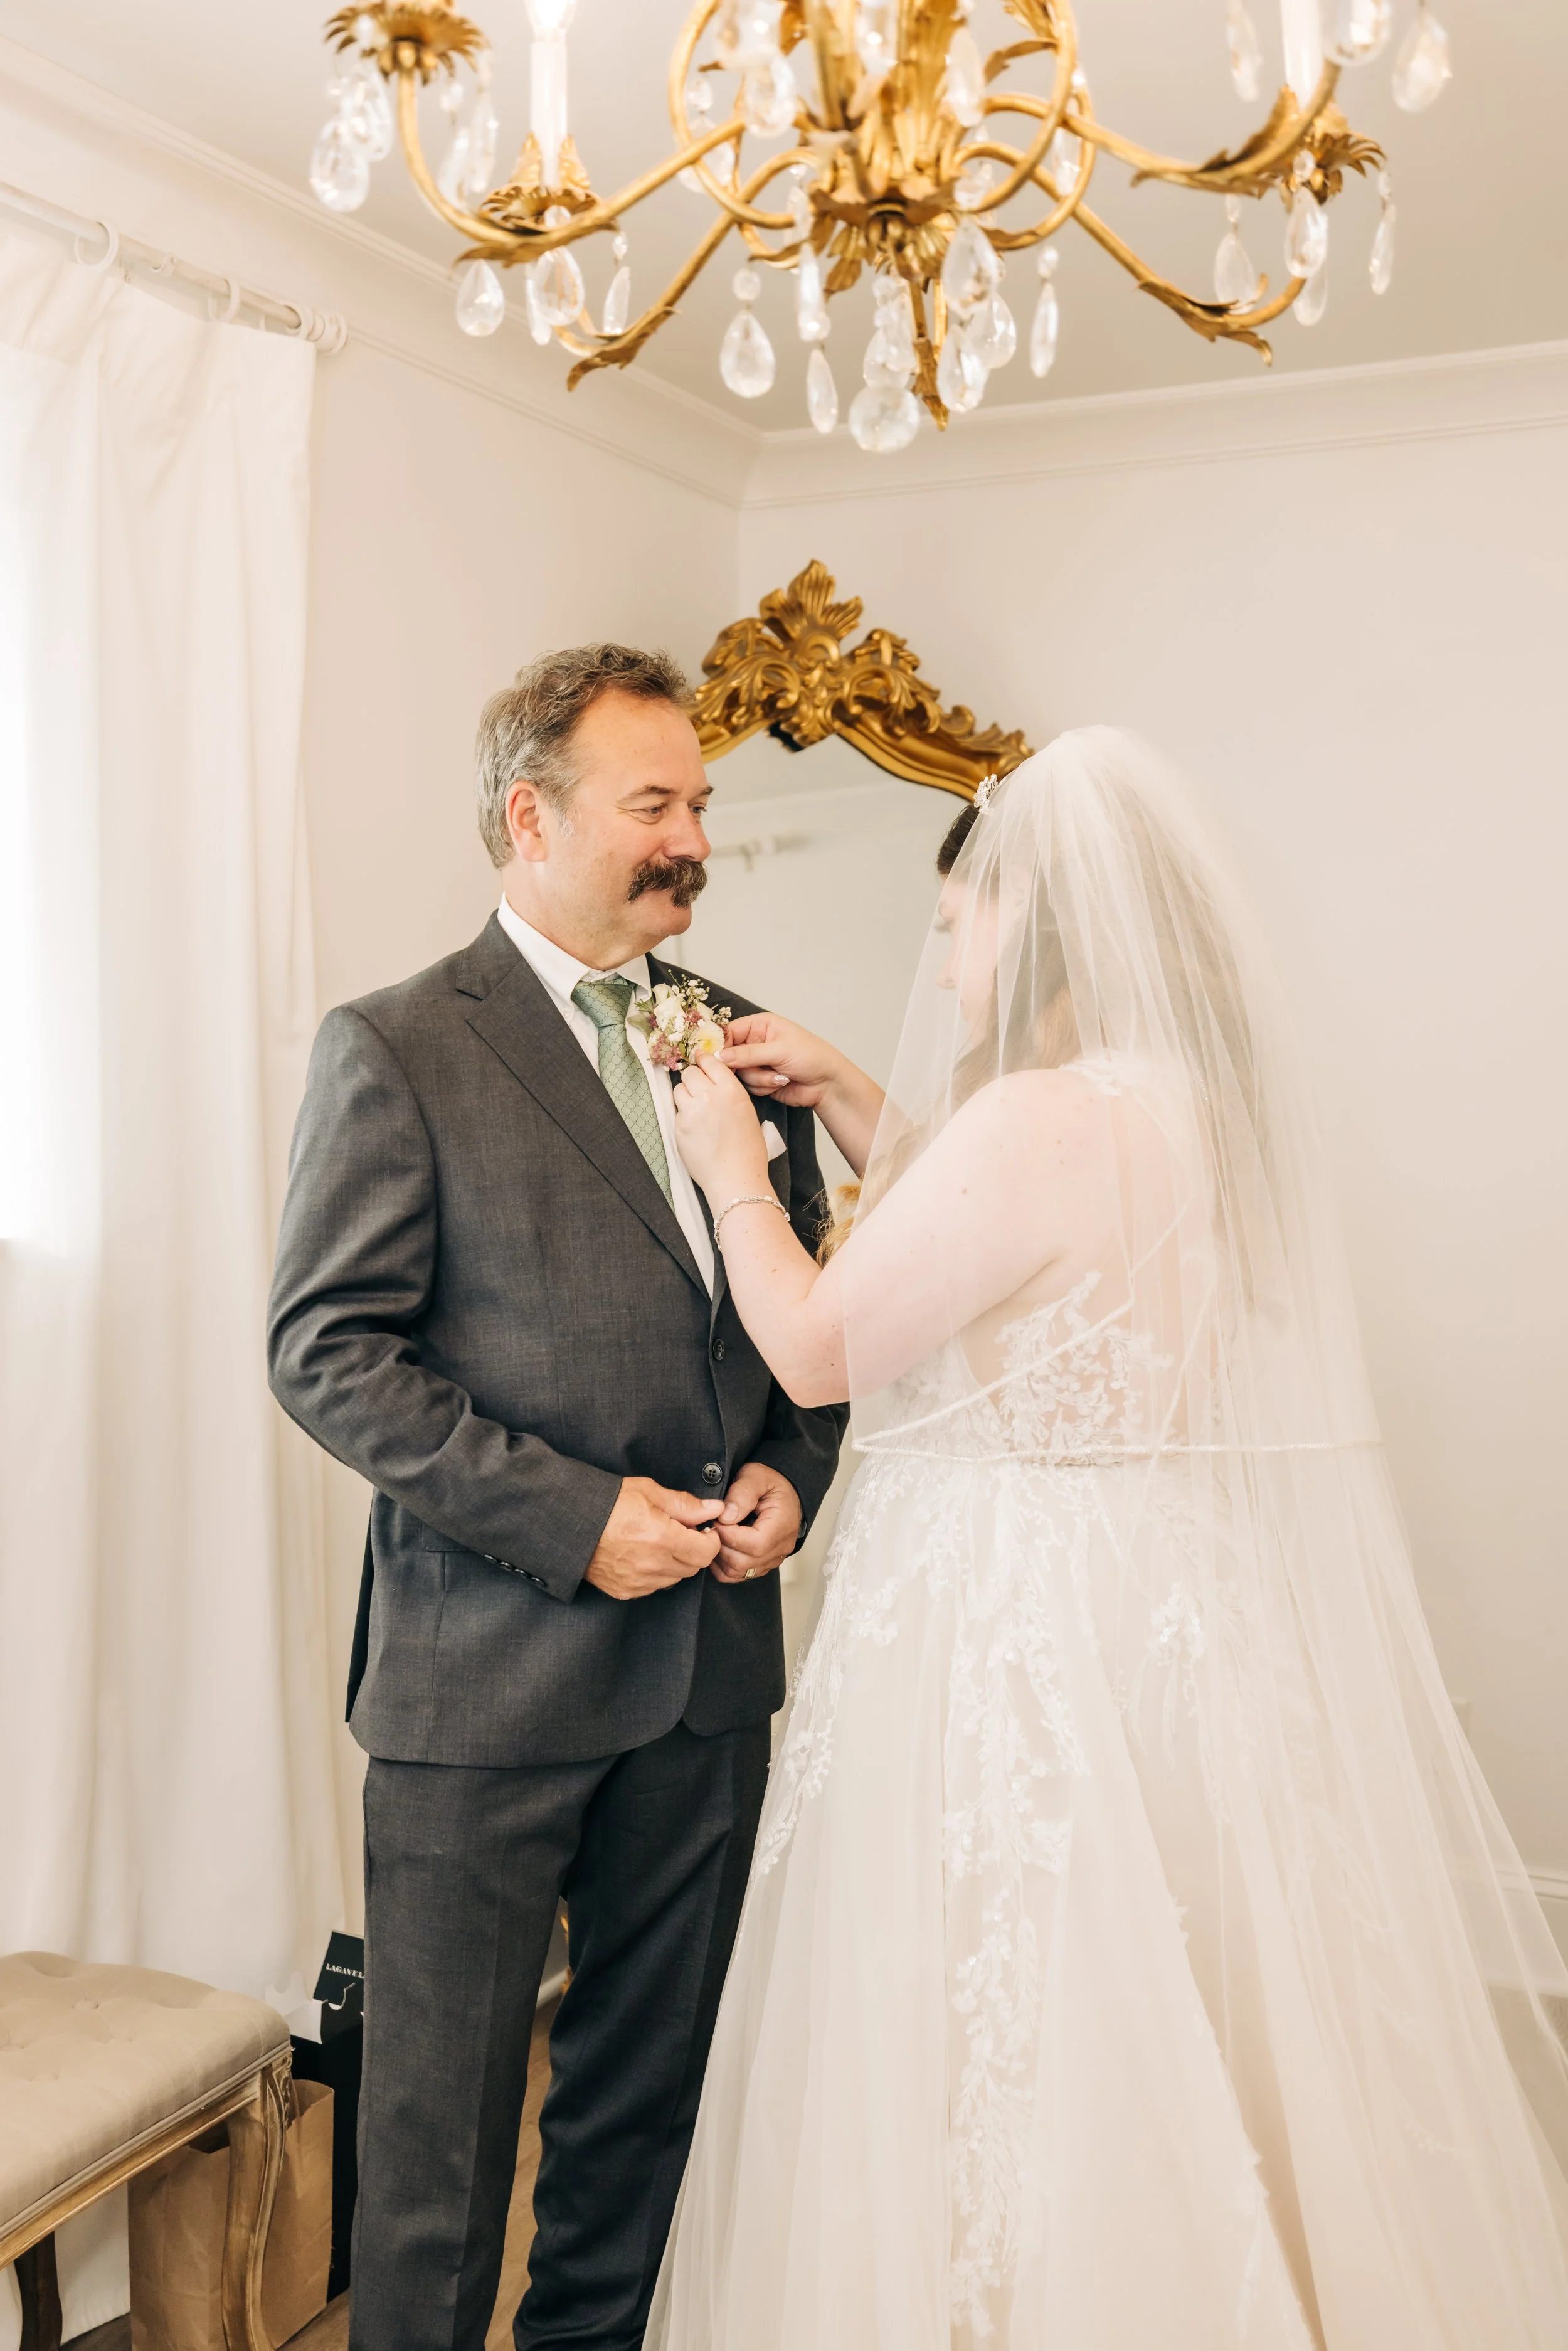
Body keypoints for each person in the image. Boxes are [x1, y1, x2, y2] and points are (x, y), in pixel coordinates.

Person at [655, 728, 1568, 2350]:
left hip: (1016, 1618)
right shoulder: (1193, 1107)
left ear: (1033, 918)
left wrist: (733, 1171)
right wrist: (863, 1100)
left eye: (956, 923)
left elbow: (815, 1348)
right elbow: (1005, 1256)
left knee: (1025, 2008)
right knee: (1191, 1994)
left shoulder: (1031, 1120)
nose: (939, 962)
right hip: (1164, 1595)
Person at [267, 644, 846, 2351]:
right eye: (649, 804)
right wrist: (573, 1516)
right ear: (528, 815)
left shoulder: (737, 1036)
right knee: (436, 2142)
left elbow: (799, 1311)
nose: (690, 840)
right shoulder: (394, 1045)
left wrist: (787, 1478)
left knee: (642, 2107)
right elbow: (326, 1351)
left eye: (698, 805)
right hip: (482, 1678)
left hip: (705, 1681)